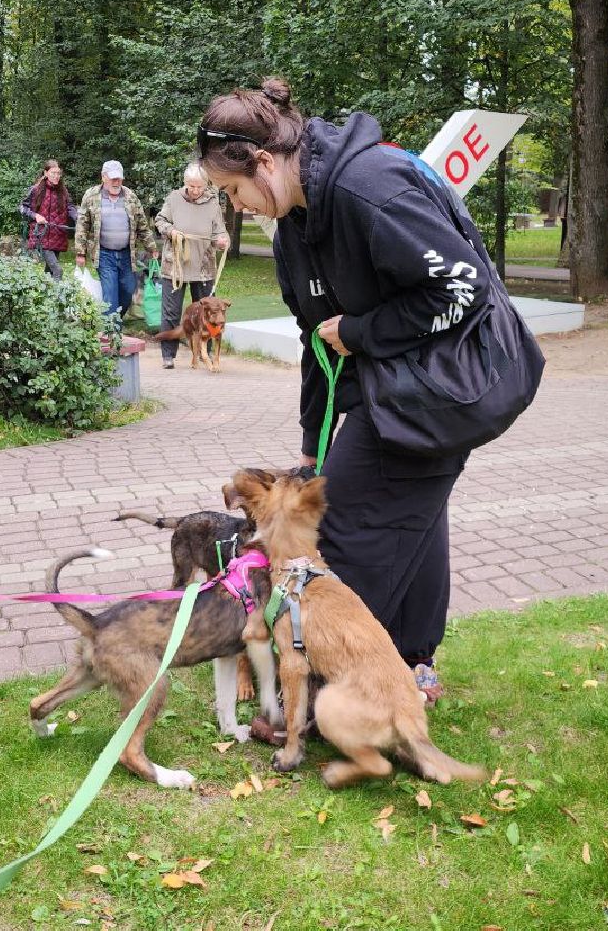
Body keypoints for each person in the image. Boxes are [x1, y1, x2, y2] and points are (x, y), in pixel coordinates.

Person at [197, 78, 495, 705]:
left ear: (264, 162)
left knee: (347, 525)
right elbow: (316, 341)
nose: (236, 206)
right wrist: (312, 445)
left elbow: (464, 288)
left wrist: (363, 330)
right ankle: (412, 660)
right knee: (418, 512)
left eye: (233, 191)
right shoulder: (295, 231)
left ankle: (336, 680)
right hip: (388, 386)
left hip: (445, 387)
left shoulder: (370, 187)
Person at [154, 163, 230, 368]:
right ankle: (168, 356)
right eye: (191, 186)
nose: (195, 191)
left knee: (208, 312)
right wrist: (171, 231)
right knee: (171, 312)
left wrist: (222, 241)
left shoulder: (213, 202)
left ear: (206, 185)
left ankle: (206, 354)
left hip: (204, 268)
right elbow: (160, 221)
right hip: (175, 267)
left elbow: (219, 232)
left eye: (199, 187)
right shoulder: (174, 198)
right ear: (185, 183)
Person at [75, 159, 153, 320]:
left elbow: (142, 225)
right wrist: (80, 252)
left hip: (126, 254)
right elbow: (82, 225)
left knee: (128, 290)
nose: (116, 182)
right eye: (113, 178)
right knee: (110, 293)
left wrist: (151, 247)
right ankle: (112, 334)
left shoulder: (130, 196)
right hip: (104, 254)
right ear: (103, 177)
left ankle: (115, 320)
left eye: (119, 178)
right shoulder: (91, 196)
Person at [19, 159, 76, 279]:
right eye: (53, 173)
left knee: (49, 272)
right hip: (41, 235)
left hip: (58, 236)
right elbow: (22, 207)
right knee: (57, 270)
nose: (56, 176)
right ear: (46, 173)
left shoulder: (63, 191)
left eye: (58, 173)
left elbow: (70, 207)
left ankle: (44, 293)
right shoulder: (36, 189)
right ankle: (57, 296)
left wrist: (77, 217)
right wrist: (36, 216)